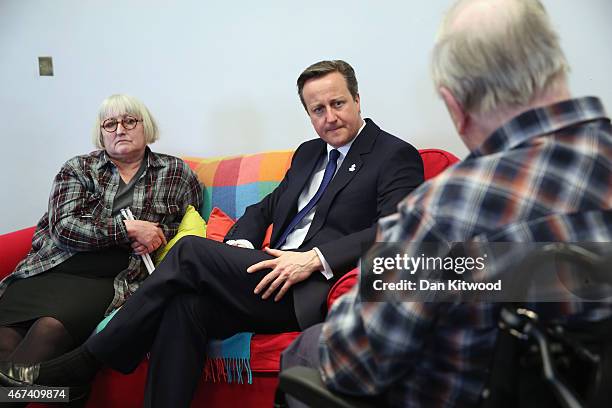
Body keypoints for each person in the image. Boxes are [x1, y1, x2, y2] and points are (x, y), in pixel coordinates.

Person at [0, 60, 424, 407]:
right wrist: (239, 242)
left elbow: (396, 229)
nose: (329, 117)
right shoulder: (310, 153)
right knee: (184, 303)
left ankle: (88, 360)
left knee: (188, 253)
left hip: (310, 284)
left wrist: (314, 259)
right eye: (317, 109)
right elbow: (266, 208)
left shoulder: (394, 155)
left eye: (337, 103)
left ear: (357, 98)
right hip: (266, 271)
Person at [281, 1, 612, 407]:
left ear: (454, 105)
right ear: (556, 63)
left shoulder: (449, 209)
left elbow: (356, 363)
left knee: (305, 349)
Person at [0, 94, 202, 367]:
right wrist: (127, 229)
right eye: (110, 124)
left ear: (146, 127)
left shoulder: (177, 173)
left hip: (109, 279)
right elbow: (63, 228)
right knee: (6, 337)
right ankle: (59, 394)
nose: (120, 129)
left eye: (130, 121)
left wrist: (156, 233)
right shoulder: (78, 168)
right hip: (54, 266)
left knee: (50, 330)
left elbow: (186, 223)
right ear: (101, 132)